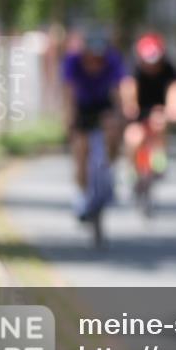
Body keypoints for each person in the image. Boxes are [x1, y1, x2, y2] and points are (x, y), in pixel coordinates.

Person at [61, 30, 127, 217]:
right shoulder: (72, 62)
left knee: (112, 129)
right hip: (82, 107)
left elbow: (118, 91)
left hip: (103, 104)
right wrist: (68, 120)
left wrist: (120, 117)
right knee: (81, 150)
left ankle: (112, 170)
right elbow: (69, 93)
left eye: (99, 58)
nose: (95, 62)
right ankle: (82, 195)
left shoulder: (112, 61)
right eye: (91, 57)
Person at [119, 32, 176, 177]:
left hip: (160, 111)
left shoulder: (169, 69)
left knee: (159, 122)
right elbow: (128, 89)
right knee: (133, 137)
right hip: (139, 113)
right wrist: (129, 106)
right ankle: (132, 169)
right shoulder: (133, 70)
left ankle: (159, 156)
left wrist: (175, 109)